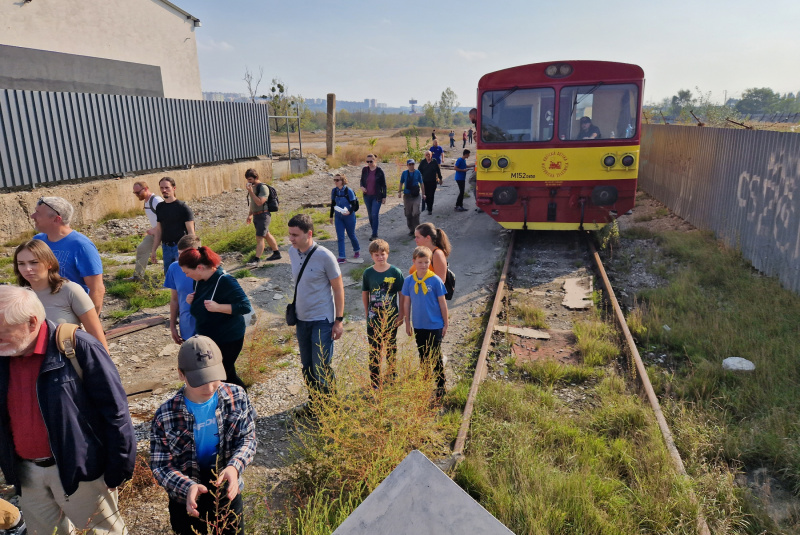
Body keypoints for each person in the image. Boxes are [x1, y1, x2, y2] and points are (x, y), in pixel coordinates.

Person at [0, 286, 135, 535]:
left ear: (31, 323)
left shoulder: (78, 347)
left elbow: (116, 412)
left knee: (104, 532)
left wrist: (118, 468)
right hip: (28, 473)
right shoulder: (4, 355)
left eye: (1, 332)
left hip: (81, 470)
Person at [150, 335, 257, 535]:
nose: (209, 388)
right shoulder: (165, 414)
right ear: (181, 375)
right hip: (185, 497)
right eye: (200, 380)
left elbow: (248, 438)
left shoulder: (237, 396)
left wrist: (234, 467)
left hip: (226, 488)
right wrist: (186, 486)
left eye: (214, 377)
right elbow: (160, 464)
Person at [287, 214, 344, 405]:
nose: (291, 238)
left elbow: (338, 288)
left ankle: (330, 408)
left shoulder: (325, 256)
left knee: (321, 367)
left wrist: (339, 320)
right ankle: (315, 403)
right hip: (301, 319)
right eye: (290, 234)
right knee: (307, 366)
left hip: (322, 320)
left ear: (309, 233)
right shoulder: (292, 252)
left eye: (295, 235)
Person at [13, 239, 109, 352]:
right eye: (21, 264)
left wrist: (105, 367)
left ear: (49, 263)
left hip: (70, 364)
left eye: (34, 262)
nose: (27, 269)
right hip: (31, 366)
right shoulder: (17, 297)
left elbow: (96, 336)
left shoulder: (70, 290)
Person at [180, 247, 252, 389]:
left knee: (222, 375)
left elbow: (245, 306)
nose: (187, 276)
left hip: (228, 338)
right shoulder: (199, 279)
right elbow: (203, 300)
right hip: (209, 337)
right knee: (224, 374)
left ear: (200, 267)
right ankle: (236, 401)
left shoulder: (225, 280)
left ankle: (240, 402)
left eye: (187, 272)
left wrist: (218, 307)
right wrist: (192, 300)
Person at [31, 196, 105, 314]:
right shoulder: (37, 241)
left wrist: (91, 325)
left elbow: (96, 289)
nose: (32, 216)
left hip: (70, 313)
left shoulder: (82, 246)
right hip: (42, 310)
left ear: (56, 219)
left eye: (38, 213)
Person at [401, 247, 448, 399]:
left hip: (435, 324)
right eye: (420, 262)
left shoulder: (435, 280)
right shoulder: (409, 281)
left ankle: (441, 385)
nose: (423, 265)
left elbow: (442, 303)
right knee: (423, 353)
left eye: (426, 262)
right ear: (414, 262)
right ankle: (426, 380)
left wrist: (445, 323)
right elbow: (406, 303)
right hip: (419, 324)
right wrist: (407, 323)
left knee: (435, 355)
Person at [361, 240, 404, 390]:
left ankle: (392, 375)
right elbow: (365, 293)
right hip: (373, 319)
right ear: (372, 256)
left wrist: (402, 314)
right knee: (374, 350)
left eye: (382, 254)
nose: (380, 257)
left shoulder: (395, 272)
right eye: (376, 255)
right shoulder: (368, 273)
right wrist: (367, 312)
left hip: (391, 318)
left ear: (388, 253)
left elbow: (402, 294)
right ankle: (375, 381)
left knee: (391, 348)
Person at [151, 176, 195, 275]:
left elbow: (191, 232)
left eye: (167, 187)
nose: (164, 190)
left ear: (174, 188)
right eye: (162, 188)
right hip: (166, 247)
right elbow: (159, 230)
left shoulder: (183, 207)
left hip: (180, 247)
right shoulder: (160, 207)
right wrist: (153, 250)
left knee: (183, 275)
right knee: (169, 276)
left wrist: (193, 251)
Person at [165, 234, 201, 344]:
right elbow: (174, 300)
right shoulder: (174, 268)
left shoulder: (210, 269)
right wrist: (172, 327)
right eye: (179, 254)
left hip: (209, 328)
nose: (182, 259)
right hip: (187, 329)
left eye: (186, 254)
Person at [244, 168, 281, 266]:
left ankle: (256, 260)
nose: (249, 182)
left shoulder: (263, 187)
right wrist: (250, 215)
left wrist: (251, 192)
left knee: (259, 237)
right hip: (257, 215)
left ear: (256, 178)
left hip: (263, 215)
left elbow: (260, 202)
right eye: (247, 180)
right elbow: (253, 204)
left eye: (250, 180)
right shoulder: (253, 187)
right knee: (266, 234)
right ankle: (276, 253)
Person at [130, 181, 163, 281]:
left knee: (171, 254)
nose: (136, 195)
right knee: (142, 249)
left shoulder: (156, 200)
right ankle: (138, 276)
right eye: (134, 193)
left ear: (145, 189)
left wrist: (156, 229)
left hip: (165, 231)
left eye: (138, 192)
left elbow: (167, 217)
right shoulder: (146, 201)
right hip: (156, 232)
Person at [329, 173, 361, 264]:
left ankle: (356, 250)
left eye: (337, 180)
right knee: (340, 237)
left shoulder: (348, 191)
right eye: (334, 180)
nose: (335, 182)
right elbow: (333, 204)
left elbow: (354, 204)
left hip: (349, 217)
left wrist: (349, 212)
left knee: (351, 234)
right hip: (338, 217)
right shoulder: (334, 191)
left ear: (342, 181)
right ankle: (342, 257)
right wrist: (331, 216)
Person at [359, 154, 388, 241]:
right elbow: (362, 180)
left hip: (377, 196)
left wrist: (384, 197)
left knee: (375, 214)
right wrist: (362, 187)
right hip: (367, 196)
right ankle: (374, 231)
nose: (369, 163)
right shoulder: (365, 170)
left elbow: (384, 185)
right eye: (367, 161)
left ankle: (374, 234)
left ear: (375, 161)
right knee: (370, 216)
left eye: (371, 161)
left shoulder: (379, 171)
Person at [398, 159, 425, 237]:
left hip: (416, 195)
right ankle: (411, 230)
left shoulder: (417, 172)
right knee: (408, 213)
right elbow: (401, 182)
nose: (411, 166)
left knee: (415, 212)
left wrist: (423, 194)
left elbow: (421, 183)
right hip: (407, 196)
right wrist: (399, 191)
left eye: (413, 164)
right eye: (410, 164)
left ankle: (418, 230)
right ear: (407, 165)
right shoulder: (404, 173)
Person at [418, 151, 443, 215]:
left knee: (431, 195)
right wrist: (418, 180)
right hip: (425, 182)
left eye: (429, 154)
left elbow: (438, 170)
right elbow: (419, 171)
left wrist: (440, 179)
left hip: (433, 182)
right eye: (426, 155)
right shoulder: (423, 162)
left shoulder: (434, 161)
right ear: (425, 156)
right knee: (426, 195)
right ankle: (428, 204)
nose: (428, 156)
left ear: (431, 155)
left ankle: (430, 209)